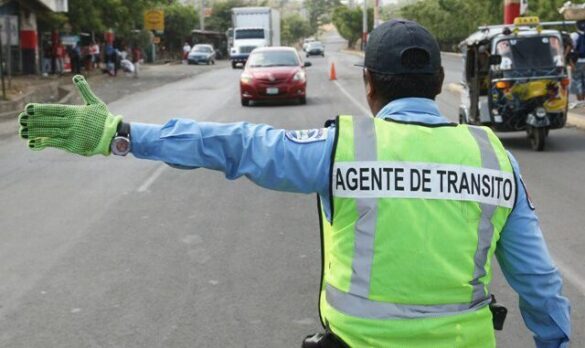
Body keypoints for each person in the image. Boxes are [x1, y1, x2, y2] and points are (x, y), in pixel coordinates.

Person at [16, 20, 570, 347]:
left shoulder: (341, 149)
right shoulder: (495, 159)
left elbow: (232, 145)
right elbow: (540, 282)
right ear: (437, 86)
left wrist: (121, 134)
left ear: (369, 85)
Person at [570, 20, 585, 105]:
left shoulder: (574, 35)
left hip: (578, 61)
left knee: (577, 80)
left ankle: (580, 101)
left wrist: (570, 62)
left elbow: (572, 48)